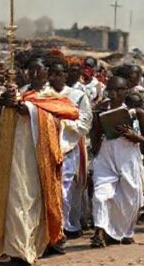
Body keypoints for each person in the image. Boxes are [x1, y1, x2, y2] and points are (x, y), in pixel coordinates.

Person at [0, 55, 80, 264]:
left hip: (30, 158)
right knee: (0, 198)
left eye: (40, 70)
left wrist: (27, 109)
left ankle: (21, 250)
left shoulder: (51, 96)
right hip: (1, 156)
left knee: (23, 200)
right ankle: (3, 249)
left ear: (47, 72)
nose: (35, 74)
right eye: (32, 69)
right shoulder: (13, 93)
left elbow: (69, 118)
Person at [90, 76, 144, 248]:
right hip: (106, 154)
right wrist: (94, 156)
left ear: (126, 90)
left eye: (118, 89)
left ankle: (124, 231)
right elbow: (95, 133)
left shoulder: (137, 112)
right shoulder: (101, 109)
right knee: (101, 194)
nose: (114, 93)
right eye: (111, 89)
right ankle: (100, 231)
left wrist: (135, 136)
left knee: (130, 195)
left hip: (128, 155)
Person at [47, 57, 93, 241]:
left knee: (68, 188)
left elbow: (85, 122)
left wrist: (62, 122)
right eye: (53, 74)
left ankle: (67, 225)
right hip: (47, 146)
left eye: (60, 73)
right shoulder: (42, 95)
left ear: (66, 75)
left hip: (70, 146)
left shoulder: (77, 96)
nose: (56, 77)